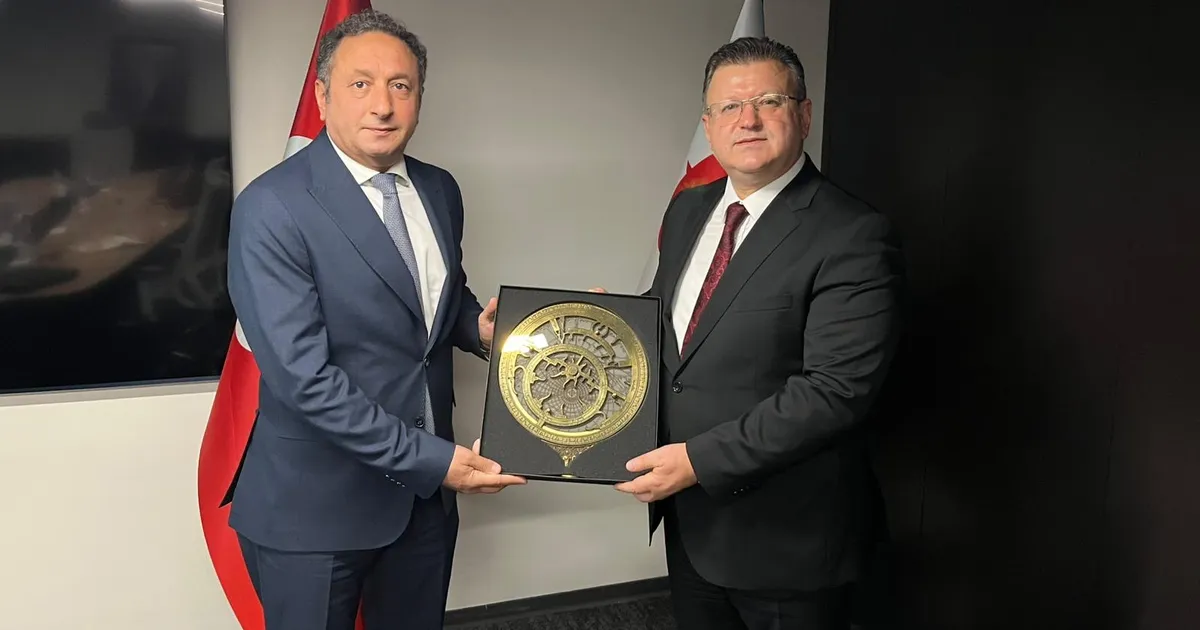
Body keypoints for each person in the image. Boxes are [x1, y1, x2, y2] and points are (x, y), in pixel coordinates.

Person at [223, 9, 525, 630]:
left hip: (423, 505)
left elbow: (435, 299)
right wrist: (432, 460)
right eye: (360, 84)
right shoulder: (271, 206)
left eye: (400, 86)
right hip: (314, 508)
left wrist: (478, 329)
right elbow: (304, 380)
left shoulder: (440, 189)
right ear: (322, 96)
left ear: (419, 98)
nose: (382, 105)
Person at [610, 37, 904, 629]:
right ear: (708, 125)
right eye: (728, 107)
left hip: (788, 539)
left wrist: (698, 460)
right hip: (692, 522)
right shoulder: (690, 210)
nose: (747, 120)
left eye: (769, 101)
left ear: (804, 114)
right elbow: (675, 325)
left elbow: (835, 391)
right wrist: (600, 324)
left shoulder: (852, 233)